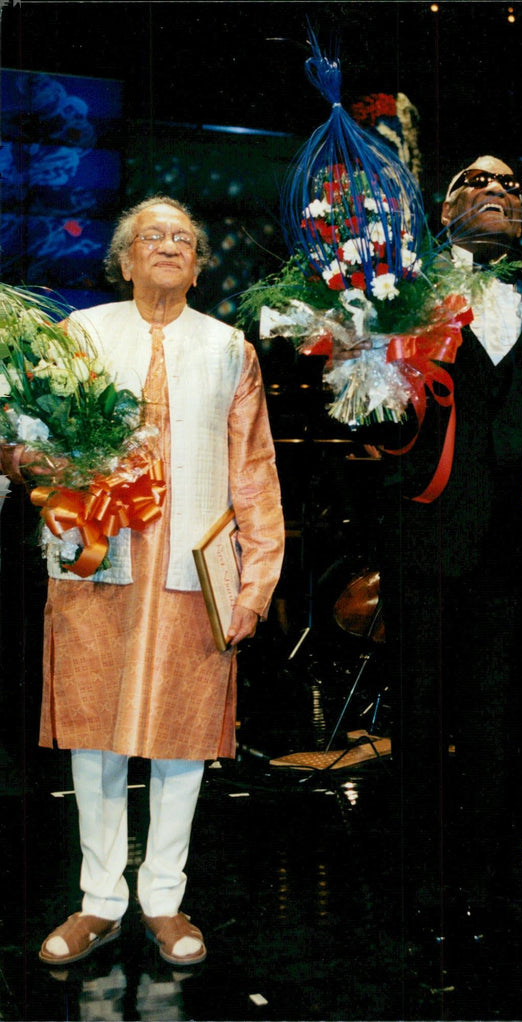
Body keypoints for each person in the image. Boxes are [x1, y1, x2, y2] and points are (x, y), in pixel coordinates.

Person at [1, 196, 284, 966]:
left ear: (197, 264)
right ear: (124, 260)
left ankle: (163, 898)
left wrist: (256, 582)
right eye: (152, 238)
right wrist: (40, 467)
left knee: (181, 741)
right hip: (97, 560)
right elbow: (20, 440)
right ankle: (99, 899)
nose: (169, 248)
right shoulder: (81, 334)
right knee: (93, 739)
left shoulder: (231, 349)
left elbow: (255, 473)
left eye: (184, 240)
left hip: (196, 569)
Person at [363, 156, 522, 939]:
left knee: (494, 718)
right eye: (475, 183)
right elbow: (373, 414)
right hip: (424, 533)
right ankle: (416, 872)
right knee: (420, 715)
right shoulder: (401, 291)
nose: (494, 193)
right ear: (444, 204)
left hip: (509, 543)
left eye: (511, 187)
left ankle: (484, 875)